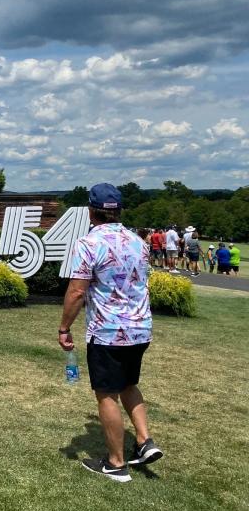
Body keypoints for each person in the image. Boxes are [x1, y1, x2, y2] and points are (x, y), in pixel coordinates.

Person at [58, 183, 162, 483]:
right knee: (128, 383)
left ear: (91, 211)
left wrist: (64, 327)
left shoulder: (89, 243)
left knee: (106, 393)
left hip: (108, 331)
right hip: (140, 327)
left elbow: (77, 291)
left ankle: (116, 463)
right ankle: (144, 441)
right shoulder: (137, 242)